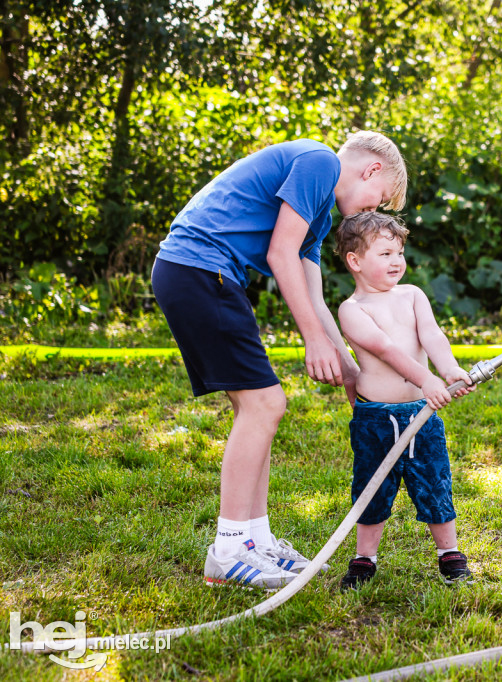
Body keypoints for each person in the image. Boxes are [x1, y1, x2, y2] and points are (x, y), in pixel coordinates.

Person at [151, 132, 407, 590]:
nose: (373, 211)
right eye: (380, 198)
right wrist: (312, 341)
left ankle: (256, 541)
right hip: (199, 268)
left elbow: (313, 294)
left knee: (260, 409)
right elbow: (278, 254)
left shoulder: (319, 217)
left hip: (206, 273)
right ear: (371, 170)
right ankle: (229, 550)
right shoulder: (319, 162)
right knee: (264, 405)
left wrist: (347, 364)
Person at [333, 211, 475, 588]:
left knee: (433, 480)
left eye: (399, 252)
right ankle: (365, 558)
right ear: (355, 261)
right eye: (385, 254)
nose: (397, 260)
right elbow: (386, 350)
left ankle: (450, 554)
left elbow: (432, 335)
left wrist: (449, 370)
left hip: (421, 413)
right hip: (375, 418)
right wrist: (427, 378)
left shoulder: (412, 295)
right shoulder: (352, 310)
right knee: (372, 487)